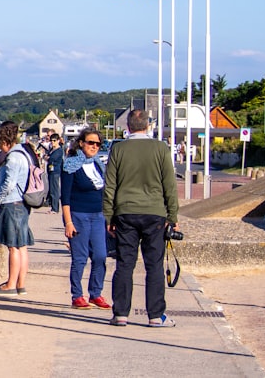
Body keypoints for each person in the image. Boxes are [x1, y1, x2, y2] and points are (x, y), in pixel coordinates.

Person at [104, 109, 178, 328]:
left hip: (125, 212)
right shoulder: (160, 148)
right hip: (155, 212)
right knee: (153, 265)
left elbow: (110, 186)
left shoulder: (118, 149)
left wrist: (109, 216)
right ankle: (155, 315)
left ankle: (120, 314)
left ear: (128, 127)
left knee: (125, 263)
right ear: (148, 125)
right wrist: (172, 215)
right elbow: (169, 185)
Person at [61, 128, 110, 310]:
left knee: (100, 256)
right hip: (78, 215)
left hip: (98, 216)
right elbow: (64, 198)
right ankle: (77, 295)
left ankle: (96, 293)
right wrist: (68, 222)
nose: (94, 147)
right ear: (81, 143)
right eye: (91, 143)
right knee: (80, 258)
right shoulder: (70, 165)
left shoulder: (99, 164)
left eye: (98, 144)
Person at [0, 124, 35, 296]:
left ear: (4, 141)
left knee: (13, 246)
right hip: (21, 204)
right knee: (21, 246)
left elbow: (9, 183)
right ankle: (20, 283)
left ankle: (11, 284)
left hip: (12, 203)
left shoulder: (14, 157)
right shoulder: (25, 153)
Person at [46, 133, 65, 213]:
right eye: (51, 141)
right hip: (50, 171)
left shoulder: (59, 150)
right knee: (51, 189)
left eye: (54, 141)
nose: (52, 142)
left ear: (57, 141)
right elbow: (47, 156)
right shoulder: (52, 149)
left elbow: (52, 158)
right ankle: (52, 205)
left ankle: (55, 208)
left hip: (55, 172)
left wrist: (48, 157)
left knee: (54, 190)